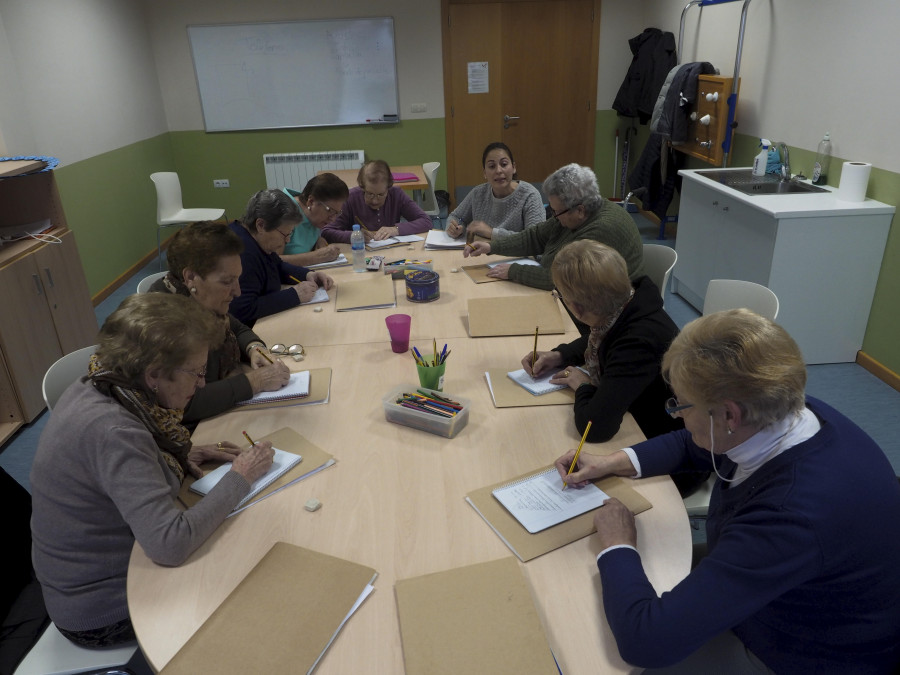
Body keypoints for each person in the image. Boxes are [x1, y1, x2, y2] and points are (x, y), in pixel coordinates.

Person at [554, 309, 900, 673]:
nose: (676, 416)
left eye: (681, 405)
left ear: (729, 416)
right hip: (789, 590)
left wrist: (618, 545)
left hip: (807, 652)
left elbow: (647, 643)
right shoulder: (785, 412)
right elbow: (696, 443)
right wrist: (612, 461)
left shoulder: (791, 513)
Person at [30, 293, 276, 648]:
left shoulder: (103, 385)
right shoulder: (114, 431)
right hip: (104, 608)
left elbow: (124, 463)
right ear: (155, 374)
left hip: (96, 572)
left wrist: (178, 452)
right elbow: (170, 545)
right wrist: (242, 477)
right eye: (196, 372)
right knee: (257, 585)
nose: (203, 384)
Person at [523, 241, 680, 444]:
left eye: (559, 295)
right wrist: (560, 355)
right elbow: (606, 337)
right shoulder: (629, 303)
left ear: (577, 309)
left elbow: (594, 429)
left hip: (659, 439)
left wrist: (582, 385)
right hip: (637, 415)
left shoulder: (638, 344)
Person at [150, 221, 291, 425]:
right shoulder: (164, 322)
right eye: (227, 282)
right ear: (190, 277)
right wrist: (255, 381)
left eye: (237, 279)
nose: (237, 291)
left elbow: (238, 327)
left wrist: (255, 349)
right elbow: (185, 404)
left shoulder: (198, 300)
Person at [462, 163, 644, 291]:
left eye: (557, 212)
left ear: (579, 210)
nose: (554, 217)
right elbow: (536, 236)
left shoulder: (602, 230)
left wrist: (514, 270)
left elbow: (561, 279)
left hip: (607, 306)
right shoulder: (574, 213)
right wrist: (493, 246)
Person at [228, 189, 334, 327]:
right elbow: (243, 309)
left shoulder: (257, 240)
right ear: (261, 225)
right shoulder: (242, 253)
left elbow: (277, 265)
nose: (288, 241)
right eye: (285, 234)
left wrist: (307, 274)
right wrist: (294, 295)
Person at [444, 142, 545, 241]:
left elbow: (535, 240)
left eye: (504, 164)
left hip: (515, 256)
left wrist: (492, 232)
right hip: (481, 254)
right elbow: (455, 216)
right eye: (492, 166)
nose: (498, 170)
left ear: (514, 167)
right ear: (484, 173)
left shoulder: (530, 195)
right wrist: (455, 228)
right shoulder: (478, 193)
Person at [322, 159, 431, 243]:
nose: (374, 201)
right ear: (362, 187)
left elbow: (426, 222)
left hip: (390, 252)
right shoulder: (350, 198)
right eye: (369, 194)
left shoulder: (396, 194)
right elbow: (326, 231)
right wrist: (353, 235)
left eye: (380, 195)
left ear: (388, 188)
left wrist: (395, 229)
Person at [279, 173, 348, 267]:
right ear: (311, 201)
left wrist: (318, 239)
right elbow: (270, 261)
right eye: (330, 211)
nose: (333, 219)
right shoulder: (283, 213)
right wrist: (316, 257)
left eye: (337, 213)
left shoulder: (312, 215)